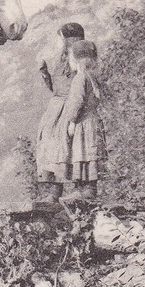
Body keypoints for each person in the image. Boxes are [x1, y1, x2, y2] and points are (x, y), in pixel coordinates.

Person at [33, 22, 87, 202]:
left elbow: (79, 88)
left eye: (60, 38)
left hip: (70, 107)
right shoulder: (59, 61)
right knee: (53, 148)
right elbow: (54, 88)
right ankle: (54, 191)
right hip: (55, 109)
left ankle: (81, 188)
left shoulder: (79, 62)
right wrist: (44, 73)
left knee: (72, 148)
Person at [50, 39, 106, 202]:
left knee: (81, 153)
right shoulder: (93, 77)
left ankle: (84, 189)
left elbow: (76, 101)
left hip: (83, 124)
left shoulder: (80, 79)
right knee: (90, 154)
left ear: (75, 60)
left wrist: (71, 121)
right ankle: (88, 187)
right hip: (93, 122)